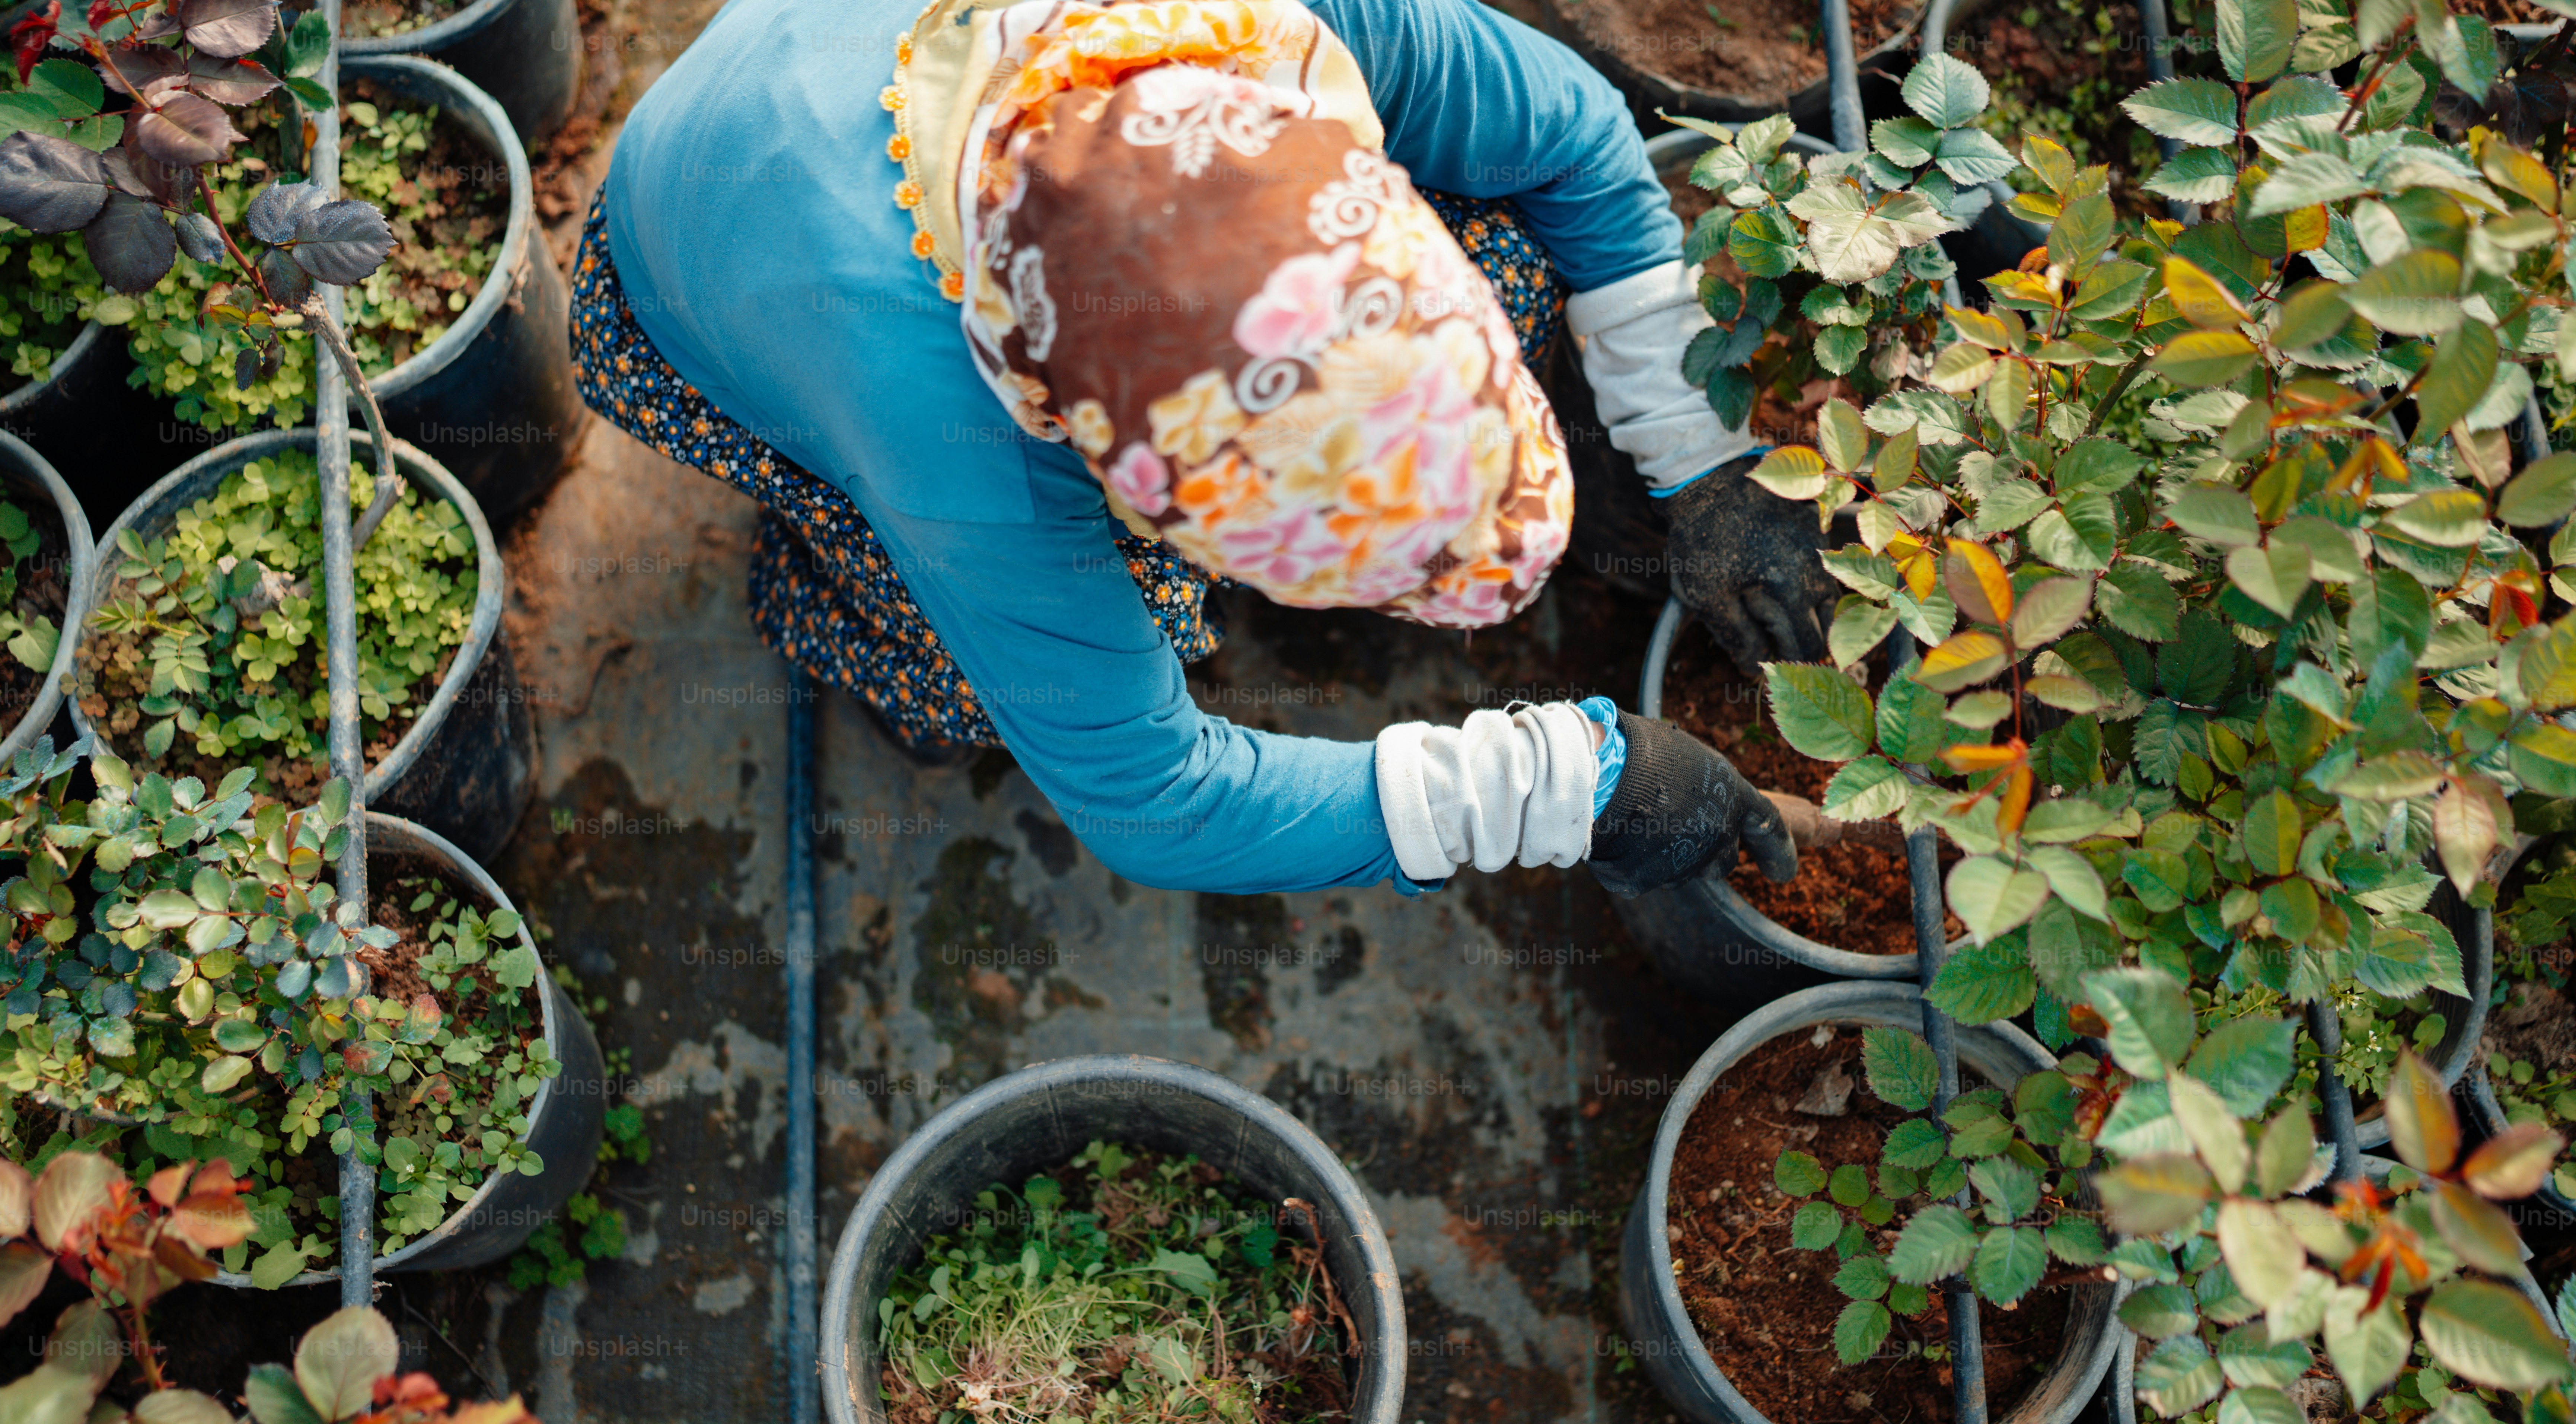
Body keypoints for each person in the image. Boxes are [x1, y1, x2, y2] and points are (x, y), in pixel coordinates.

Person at [573, 0, 1834, 899]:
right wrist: (1572, 789)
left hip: (847, 70)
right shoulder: (961, 448)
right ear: (1120, 474)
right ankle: (875, 635)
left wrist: (1704, 461)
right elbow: (1155, 801)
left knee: (1516, 246)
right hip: (713, 255)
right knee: (960, 659)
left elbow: (1572, 136)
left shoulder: (1283, 26)